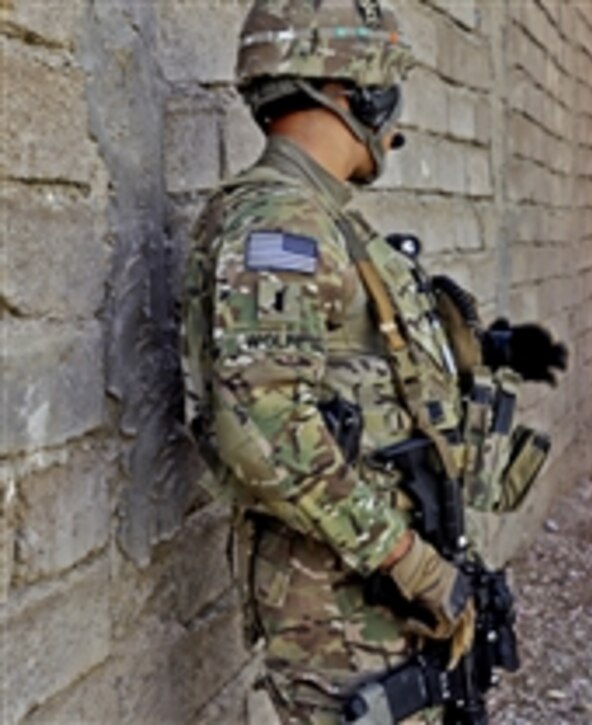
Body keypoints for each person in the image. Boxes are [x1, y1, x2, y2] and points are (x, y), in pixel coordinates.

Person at [180, 1, 567, 721]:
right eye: (388, 85)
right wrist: (409, 562)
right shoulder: (281, 224)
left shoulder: (324, 222)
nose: (396, 120)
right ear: (347, 88)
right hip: (342, 607)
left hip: (375, 593)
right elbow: (261, 433)